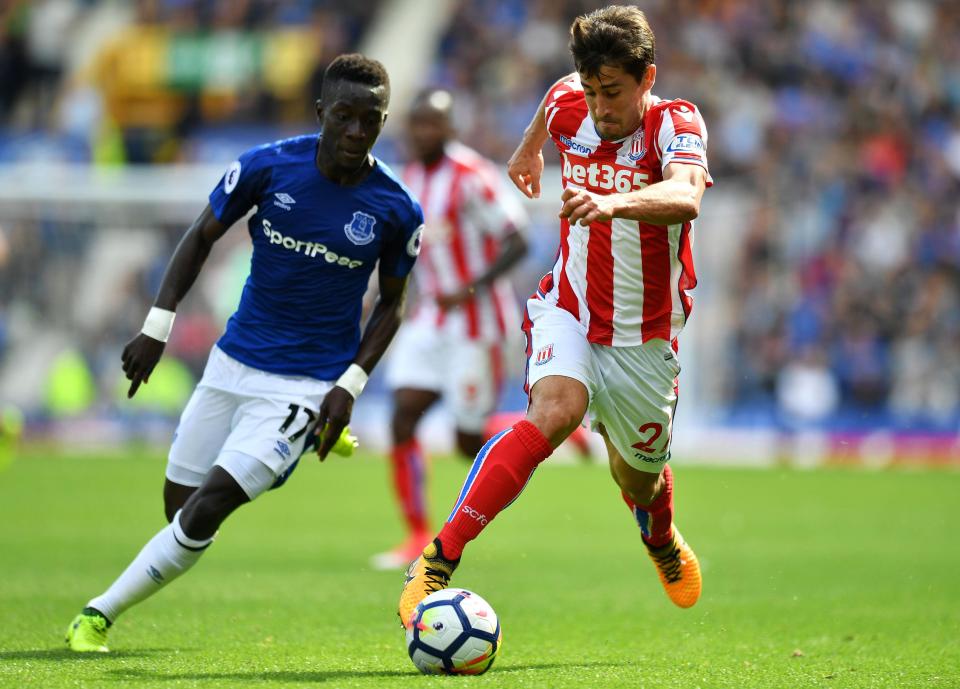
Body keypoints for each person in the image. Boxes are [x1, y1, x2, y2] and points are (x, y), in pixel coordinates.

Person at [65, 53, 424, 653]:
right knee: (178, 508)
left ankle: (97, 614)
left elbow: (393, 303)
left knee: (209, 507)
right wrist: (157, 325)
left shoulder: (395, 207)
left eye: (373, 120)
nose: (358, 132)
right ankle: (284, 452)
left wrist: (350, 385)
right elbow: (201, 234)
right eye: (345, 116)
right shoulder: (266, 166)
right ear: (321, 114)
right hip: (230, 365)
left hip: (305, 388)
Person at [399, 5, 711, 626]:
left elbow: (686, 196)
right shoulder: (572, 100)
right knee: (556, 411)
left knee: (638, 480)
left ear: (647, 79)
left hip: (643, 338)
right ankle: (438, 557)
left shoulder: (675, 122)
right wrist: (527, 152)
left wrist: (613, 200)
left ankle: (659, 540)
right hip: (567, 306)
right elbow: (554, 101)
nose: (599, 107)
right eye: (592, 91)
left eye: (614, 92)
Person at [371, 88, 529, 570]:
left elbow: (518, 240)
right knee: (401, 417)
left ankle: (549, 427)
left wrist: (471, 288)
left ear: (451, 128)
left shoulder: (471, 176)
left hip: (476, 324)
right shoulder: (409, 178)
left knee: (466, 442)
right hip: (430, 320)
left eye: (433, 124)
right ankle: (416, 532)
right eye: (416, 124)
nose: (423, 133)